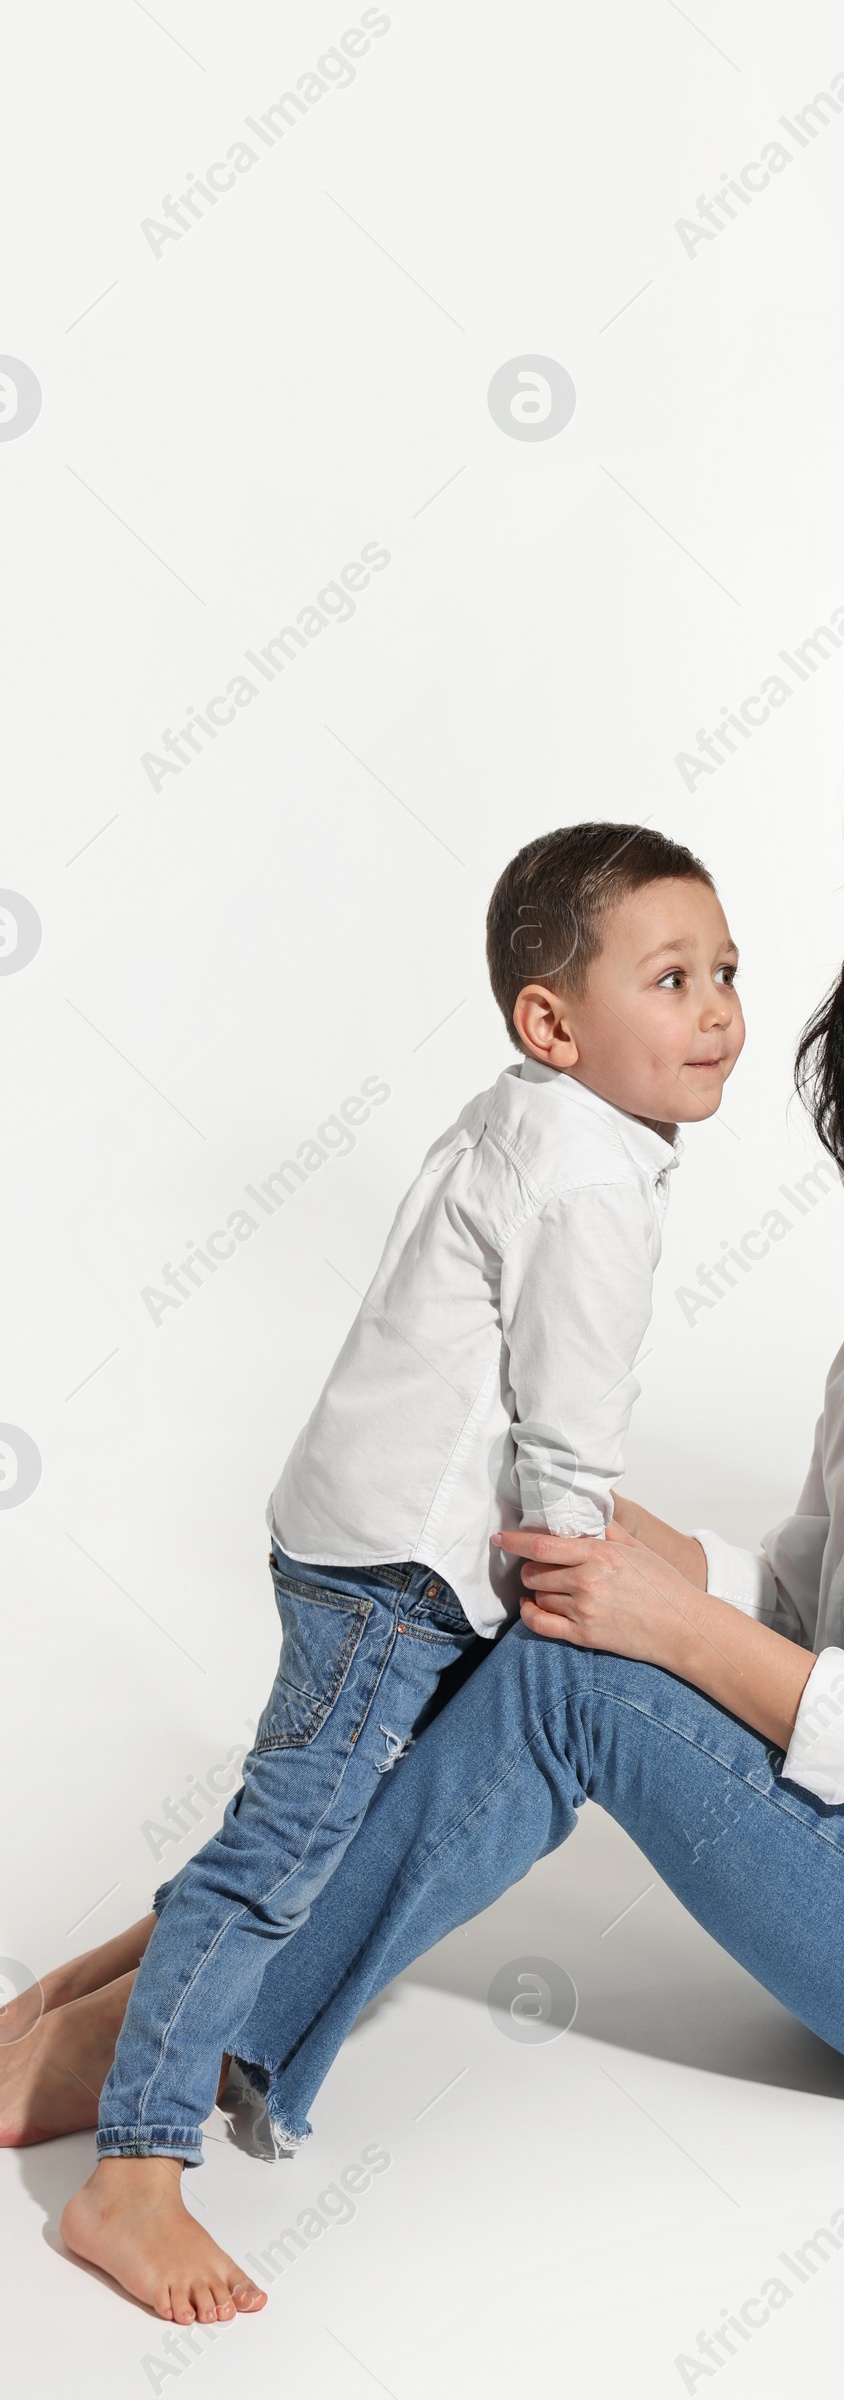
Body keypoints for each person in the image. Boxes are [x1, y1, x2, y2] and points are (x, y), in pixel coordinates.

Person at [2, 891, 844, 2338]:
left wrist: (668, 1626)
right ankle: (148, 1981)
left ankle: (184, 2048)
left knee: (589, 1675)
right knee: (530, 1592)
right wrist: (621, 1545)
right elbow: (808, 1603)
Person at [52, 822, 744, 2324]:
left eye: (726, 975)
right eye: (674, 977)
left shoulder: (538, 1121)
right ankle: (133, 2172)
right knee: (280, 1858)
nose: (717, 1012)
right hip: (398, 1579)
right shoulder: (590, 1176)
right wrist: (582, 1580)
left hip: (359, 1543)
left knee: (293, 1827)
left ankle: (55, 2031)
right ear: (551, 1023)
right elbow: (569, 1409)